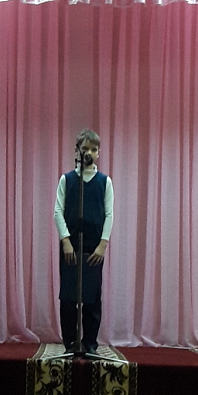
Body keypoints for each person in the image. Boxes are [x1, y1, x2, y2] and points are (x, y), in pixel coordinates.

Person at [54, 128, 114, 356]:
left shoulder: (104, 182)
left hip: (93, 247)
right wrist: (65, 241)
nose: (89, 152)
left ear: (98, 153)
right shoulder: (67, 180)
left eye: (93, 149)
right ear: (77, 151)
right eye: (85, 148)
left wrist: (102, 245)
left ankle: (89, 343)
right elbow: (58, 211)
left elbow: (109, 214)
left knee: (91, 297)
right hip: (70, 246)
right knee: (69, 297)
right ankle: (70, 342)